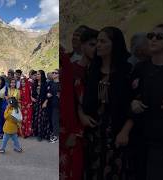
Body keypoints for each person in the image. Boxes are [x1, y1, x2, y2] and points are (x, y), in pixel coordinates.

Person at [80, 27, 132, 179]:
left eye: (103, 41)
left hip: (117, 134)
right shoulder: (92, 71)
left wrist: (125, 131)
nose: (98, 45)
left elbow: (135, 104)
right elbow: (79, 98)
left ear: (114, 44)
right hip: (93, 133)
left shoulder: (127, 71)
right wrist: (82, 114)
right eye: (97, 42)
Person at [129, 24, 163, 180]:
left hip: (162, 140)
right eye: (151, 35)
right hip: (139, 136)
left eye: (159, 37)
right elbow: (128, 95)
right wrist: (132, 102)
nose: (153, 39)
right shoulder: (140, 68)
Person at [62, 27, 99, 180]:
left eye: (98, 44)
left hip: (95, 132)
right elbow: (71, 103)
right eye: (92, 45)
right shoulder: (73, 70)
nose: (96, 48)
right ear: (82, 46)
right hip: (75, 131)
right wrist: (76, 132)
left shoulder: (100, 72)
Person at [31, 70, 51, 141]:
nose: (37, 76)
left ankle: (41, 134)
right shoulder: (34, 84)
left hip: (43, 103)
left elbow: (49, 94)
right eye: (36, 74)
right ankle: (36, 133)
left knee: (42, 119)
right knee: (36, 118)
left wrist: (45, 102)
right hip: (36, 103)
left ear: (42, 75)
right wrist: (32, 98)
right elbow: (32, 93)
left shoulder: (46, 84)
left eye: (38, 74)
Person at [47, 69, 60, 143]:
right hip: (53, 104)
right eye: (53, 72)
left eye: (55, 73)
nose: (53, 74)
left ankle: (56, 136)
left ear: (58, 74)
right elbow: (48, 91)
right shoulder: (50, 83)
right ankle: (55, 135)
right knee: (54, 120)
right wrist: (48, 94)